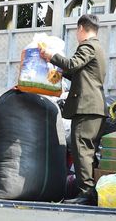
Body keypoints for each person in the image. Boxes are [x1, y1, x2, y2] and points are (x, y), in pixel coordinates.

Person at [40, 14, 108, 205]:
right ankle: (89, 192)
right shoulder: (99, 48)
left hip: (87, 107)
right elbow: (79, 73)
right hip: (95, 108)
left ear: (80, 29)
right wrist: (60, 73)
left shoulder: (88, 46)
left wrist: (51, 56)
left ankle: (86, 193)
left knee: (81, 150)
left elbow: (72, 64)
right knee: (87, 150)